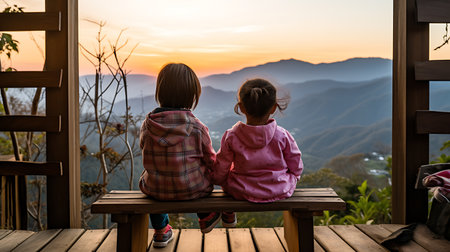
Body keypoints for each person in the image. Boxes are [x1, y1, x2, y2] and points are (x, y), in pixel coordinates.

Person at [139, 63, 234, 248]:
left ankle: (160, 232)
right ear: (192, 95)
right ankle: (205, 215)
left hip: (156, 190)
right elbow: (211, 160)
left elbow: (144, 149)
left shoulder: (148, 125)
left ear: (160, 92)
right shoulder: (197, 127)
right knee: (200, 176)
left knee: (154, 181)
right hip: (193, 191)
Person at [212, 78, 303, 203]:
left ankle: (228, 215)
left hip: (240, 190)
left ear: (241, 108)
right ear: (273, 108)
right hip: (280, 189)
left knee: (228, 182)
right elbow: (296, 164)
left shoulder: (231, 136)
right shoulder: (282, 135)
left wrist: (219, 181)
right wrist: (294, 177)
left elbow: (221, 169)